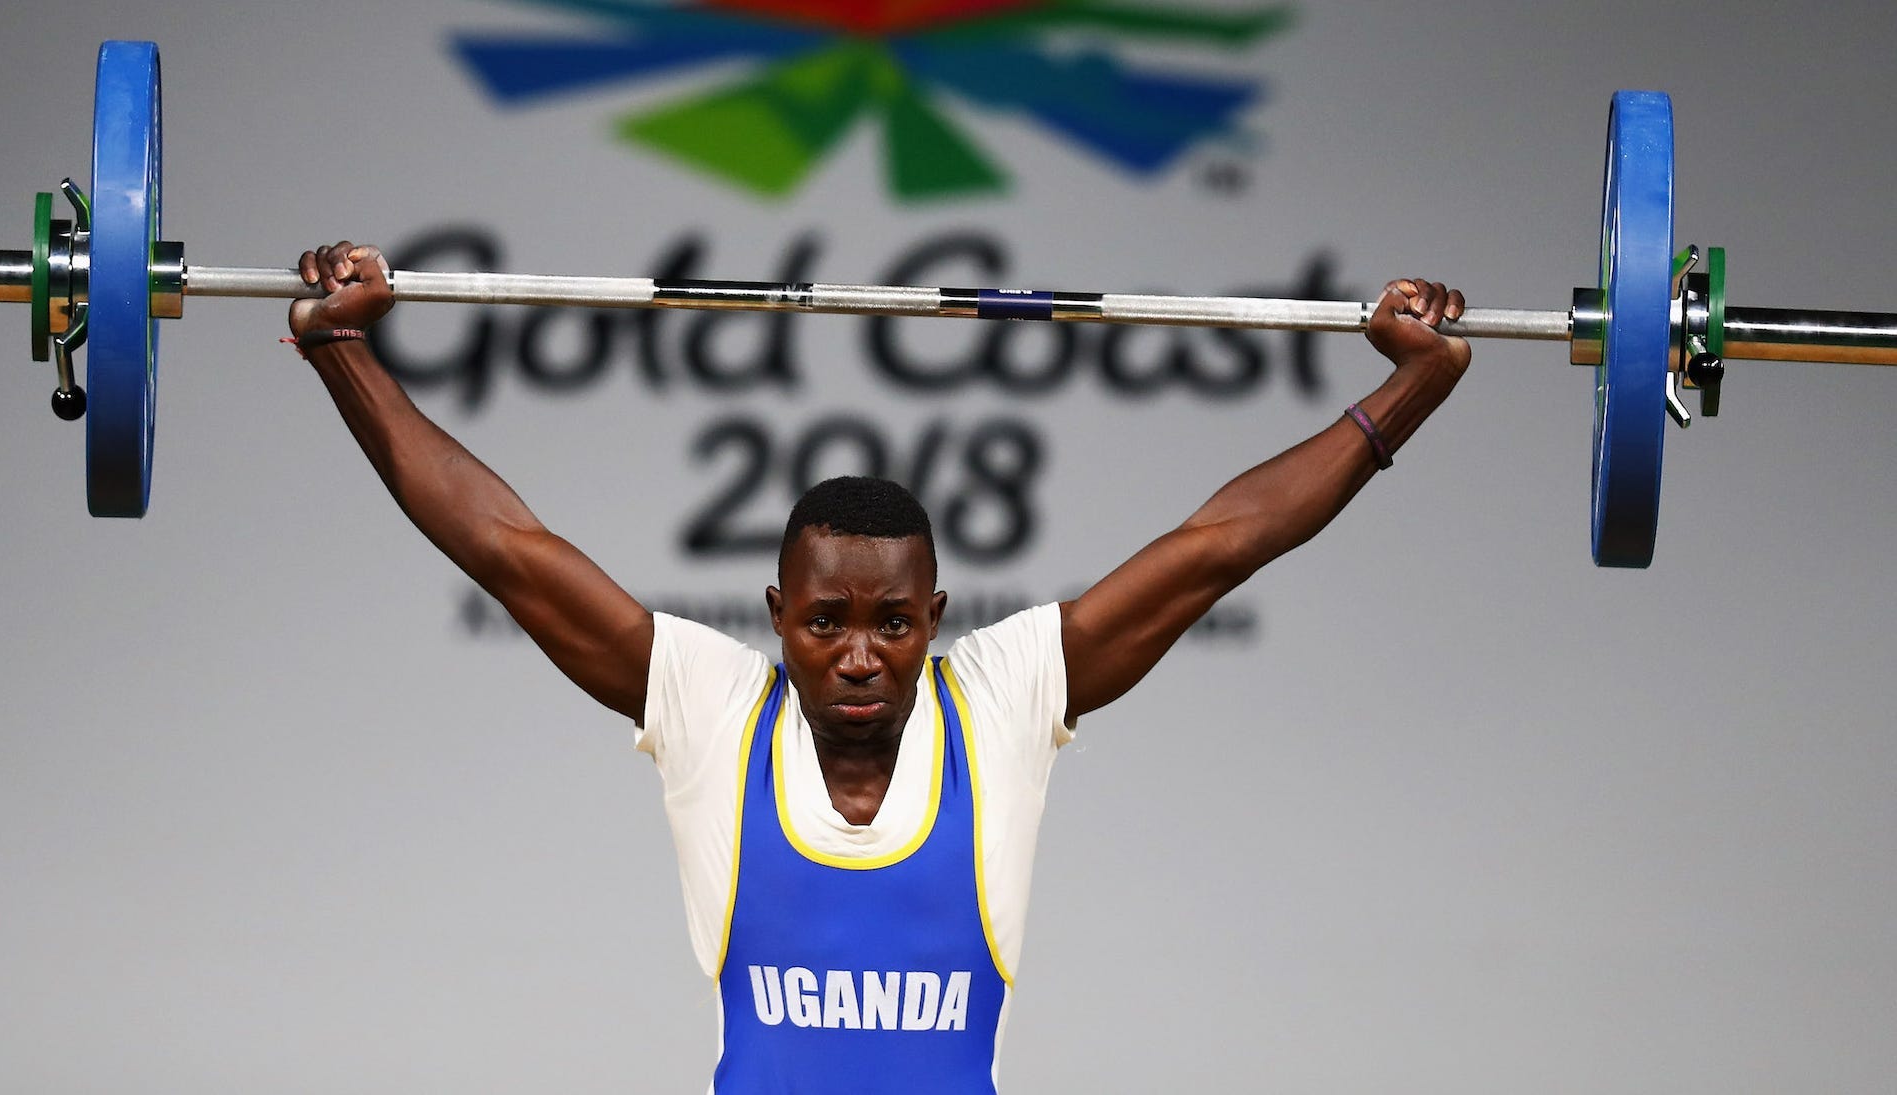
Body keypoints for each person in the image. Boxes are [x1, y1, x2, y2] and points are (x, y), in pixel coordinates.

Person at [287, 241, 1470, 1093]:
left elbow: (1220, 546)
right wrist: (344, 354)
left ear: (938, 617)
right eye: (826, 623)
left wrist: (1405, 392)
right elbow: (506, 551)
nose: (859, 655)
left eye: (894, 625)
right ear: (777, 616)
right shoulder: (713, 707)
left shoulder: (1002, 697)